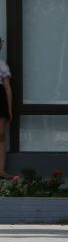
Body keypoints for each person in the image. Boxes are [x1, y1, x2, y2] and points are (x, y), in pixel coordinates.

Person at [0, 36, 11, 179]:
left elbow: (8, 88)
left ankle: (1, 169)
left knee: (1, 134)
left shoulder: (2, 64)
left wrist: (9, 108)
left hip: (0, 98)